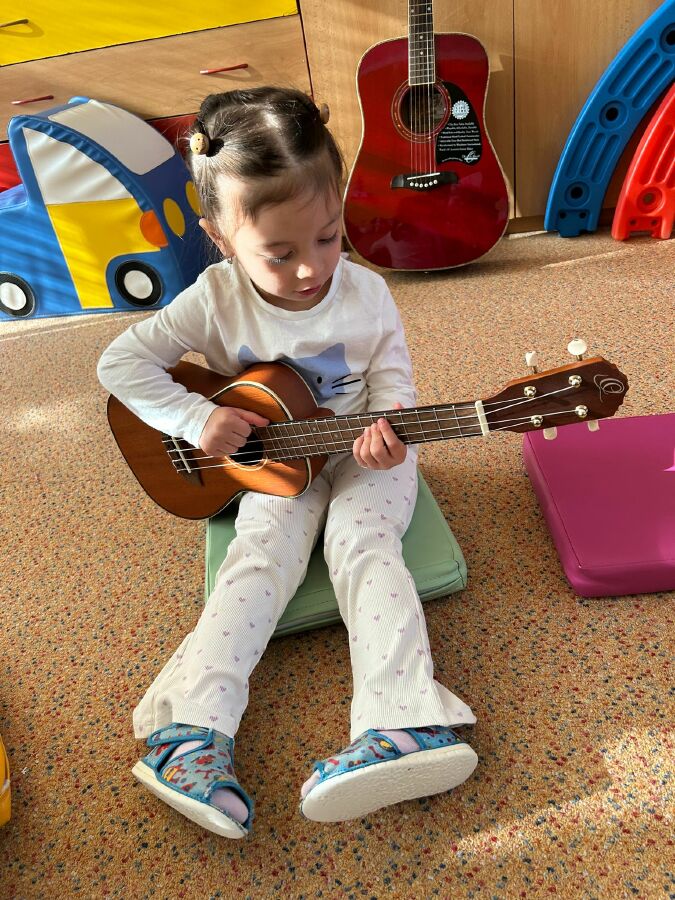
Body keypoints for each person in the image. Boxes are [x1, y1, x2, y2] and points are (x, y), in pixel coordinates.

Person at [97, 87, 477, 839]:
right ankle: (190, 735)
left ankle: (404, 722)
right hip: (271, 462)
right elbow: (121, 364)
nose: (311, 269)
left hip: (362, 451)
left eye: (328, 238)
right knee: (259, 556)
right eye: (279, 253)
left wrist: (392, 424)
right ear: (220, 237)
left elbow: (392, 375)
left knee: (363, 544)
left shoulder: (366, 292)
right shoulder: (212, 299)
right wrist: (196, 418)